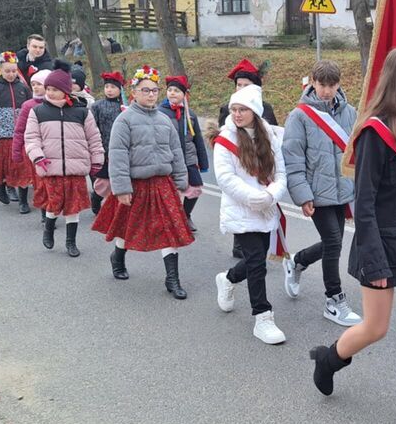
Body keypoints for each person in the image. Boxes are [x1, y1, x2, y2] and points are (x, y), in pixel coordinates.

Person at [308, 48, 396, 424]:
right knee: (376, 328)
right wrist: (373, 257)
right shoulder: (374, 132)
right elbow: (363, 204)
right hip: (384, 244)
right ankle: (329, 359)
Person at [91, 65, 194, 300]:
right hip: (135, 185)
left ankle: (172, 279)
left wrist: (181, 182)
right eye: (145, 90)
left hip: (162, 184)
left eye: (154, 90)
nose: (150, 95)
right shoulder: (124, 120)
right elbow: (117, 155)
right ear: (134, 92)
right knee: (129, 227)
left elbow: (176, 152)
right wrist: (122, 188)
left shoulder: (165, 120)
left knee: (169, 229)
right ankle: (118, 256)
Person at [281, 60, 362, 327]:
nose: (326, 90)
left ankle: (298, 262)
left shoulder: (350, 112)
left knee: (333, 242)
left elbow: (355, 150)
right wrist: (303, 195)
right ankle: (334, 300)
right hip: (316, 191)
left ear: (339, 84)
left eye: (332, 84)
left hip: (341, 190)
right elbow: (293, 158)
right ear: (313, 83)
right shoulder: (300, 116)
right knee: (334, 242)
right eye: (321, 84)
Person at [211, 84, 290, 344]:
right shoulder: (225, 139)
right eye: (233, 109)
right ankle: (262, 316)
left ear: (255, 111)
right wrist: (253, 197)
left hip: (266, 206)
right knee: (256, 261)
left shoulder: (268, 135)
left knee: (257, 259)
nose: (236, 114)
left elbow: (280, 173)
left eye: (242, 109)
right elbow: (225, 178)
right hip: (241, 209)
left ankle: (228, 279)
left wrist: (271, 195)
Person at [24, 64, 104, 258]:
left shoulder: (82, 112)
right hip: (50, 167)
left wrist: (97, 160)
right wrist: (37, 156)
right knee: (54, 203)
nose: (50, 93)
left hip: (76, 168)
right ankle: (49, 228)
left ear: (66, 91)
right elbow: (31, 138)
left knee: (73, 207)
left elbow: (94, 138)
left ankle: (71, 242)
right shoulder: (38, 112)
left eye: (54, 90)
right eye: (48, 89)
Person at [222, 58, 278, 259]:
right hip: (241, 166)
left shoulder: (266, 109)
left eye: (247, 85)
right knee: (243, 209)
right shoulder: (227, 109)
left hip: (262, 169)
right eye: (239, 85)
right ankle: (240, 243)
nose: (242, 89)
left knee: (262, 214)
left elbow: (273, 135)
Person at [0, 51, 34, 211]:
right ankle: (0, 184)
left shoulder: (23, 88)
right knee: (3, 165)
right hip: (1, 135)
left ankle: (23, 201)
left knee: (22, 166)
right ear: (0, 70)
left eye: (13, 71)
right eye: (7, 71)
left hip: (20, 135)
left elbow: (31, 109)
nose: (11, 74)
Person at [158, 75, 208, 232]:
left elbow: (198, 138)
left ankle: (185, 215)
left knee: (195, 188)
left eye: (177, 91)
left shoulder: (190, 114)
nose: (172, 93)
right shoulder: (159, 112)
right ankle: (169, 219)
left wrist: (203, 161)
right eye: (170, 90)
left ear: (184, 94)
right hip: (170, 159)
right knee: (172, 191)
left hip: (189, 159)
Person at [13, 68, 52, 224]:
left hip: (49, 149)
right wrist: (16, 150)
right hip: (30, 149)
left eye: (39, 84)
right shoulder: (28, 105)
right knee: (29, 179)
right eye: (33, 84)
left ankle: (46, 210)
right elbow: (19, 129)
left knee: (44, 182)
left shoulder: (54, 105)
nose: (35, 87)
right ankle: (23, 201)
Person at [89, 71, 126, 214]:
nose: (109, 90)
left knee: (120, 180)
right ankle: (96, 198)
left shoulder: (125, 107)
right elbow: (92, 128)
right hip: (104, 149)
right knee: (103, 182)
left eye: (113, 87)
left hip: (122, 150)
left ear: (120, 89)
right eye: (107, 87)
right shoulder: (97, 106)